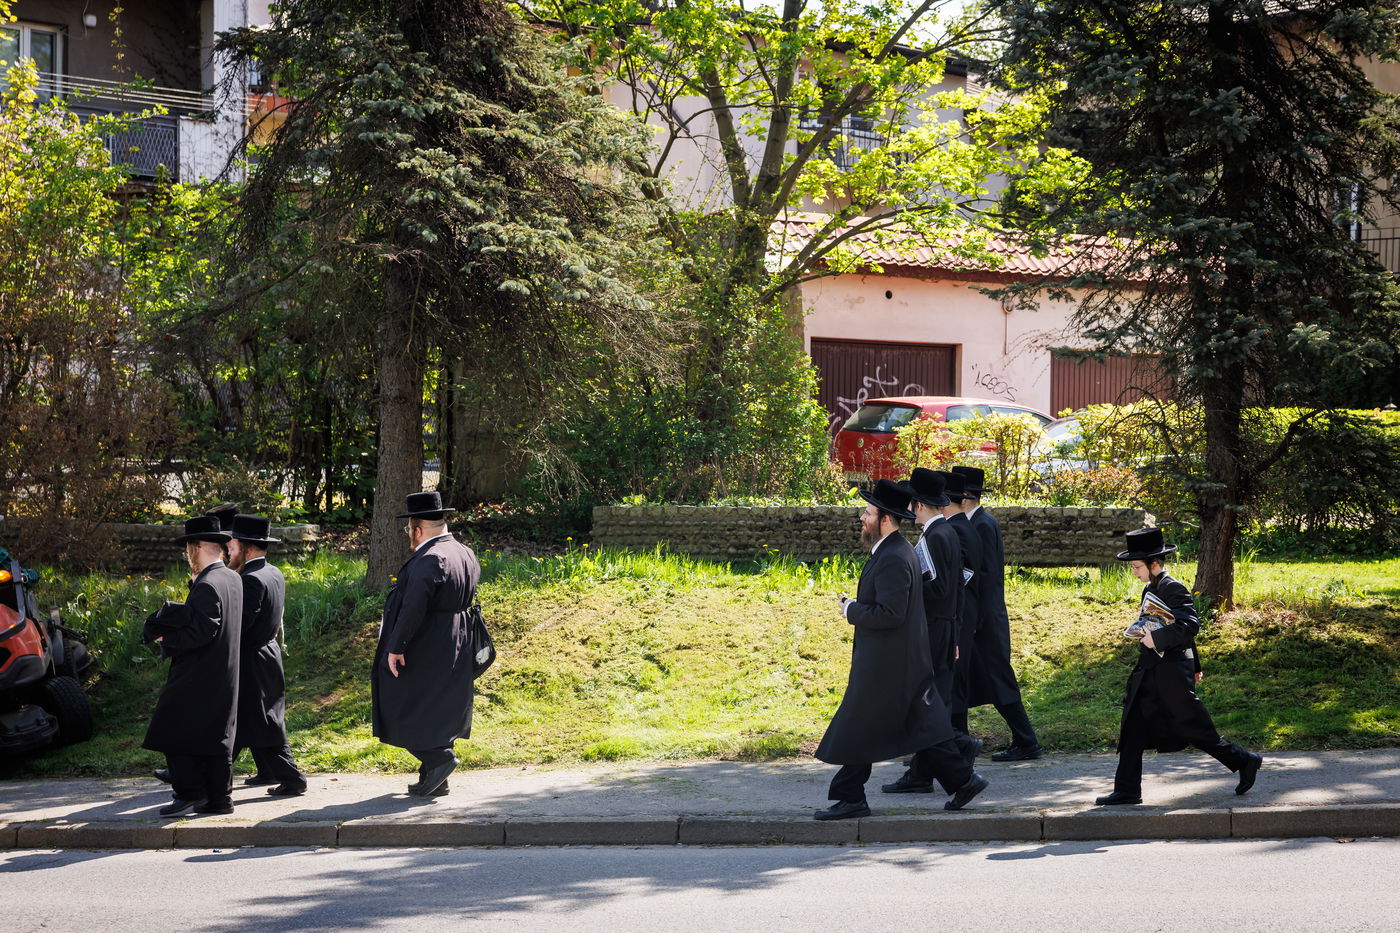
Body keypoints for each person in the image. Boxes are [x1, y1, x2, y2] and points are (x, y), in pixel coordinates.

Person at [813, 479, 988, 820]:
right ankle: (963, 779)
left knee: (860, 724)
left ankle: (851, 796)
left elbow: (891, 613)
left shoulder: (894, 556)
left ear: (886, 519)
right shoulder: (893, 550)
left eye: (868, 512)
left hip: (889, 663)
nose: (862, 517)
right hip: (895, 660)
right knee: (920, 727)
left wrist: (851, 610)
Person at [1096, 527, 1263, 805]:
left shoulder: (1173, 588)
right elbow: (1170, 624)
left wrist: (1156, 639)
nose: (1134, 572)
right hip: (1151, 671)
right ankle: (1127, 789)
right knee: (1133, 725)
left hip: (1171, 673)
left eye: (1137, 567)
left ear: (1153, 563)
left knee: (1194, 728)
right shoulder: (1152, 588)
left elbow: (1189, 626)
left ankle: (1244, 760)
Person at [372, 491, 482, 798]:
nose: (408, 534)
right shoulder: (463, 551)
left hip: (426, 642)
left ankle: (439, 760)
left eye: (408, 528)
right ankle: (434, 778)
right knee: (437, 708)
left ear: (417, 528)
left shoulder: (431, 557)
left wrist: (396, 646)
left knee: (399, 703)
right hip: (454, 640)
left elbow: (413, 607)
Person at [142, 514, 243, 816]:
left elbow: (203, 631)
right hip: (225, 671)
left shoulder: (208, 583)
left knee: (171, 728)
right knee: (216, 738)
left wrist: (165, 638)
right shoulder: (233, 577)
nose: (187, 556)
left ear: (197, 547)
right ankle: (218, 800)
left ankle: (188, 792)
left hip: (199, 673)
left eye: (187, 549)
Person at [951, 465, 1042, 761]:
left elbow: (986, 575)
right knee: (960, 680)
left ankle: (1027, 741)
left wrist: (976, 620)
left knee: (999, 679)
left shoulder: (981, 524)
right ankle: (956, 743)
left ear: (965, 496)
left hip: (985, 619)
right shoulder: (974, 522)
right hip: (979, 617)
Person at [227, 513, 306, 797]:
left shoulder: (250, 580)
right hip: (268, 653)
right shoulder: (272, 572)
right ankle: (267, 771)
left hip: (251, 657)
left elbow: (242, 625)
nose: (229, 552)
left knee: (260, 719)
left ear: (246, 549)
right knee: (254, 717)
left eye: (233, 547)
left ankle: (292, 777)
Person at [939, 470, 983, 741]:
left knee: (953, 681)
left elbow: (962, 575)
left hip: (961, 613)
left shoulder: (956, 529)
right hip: (964, 611)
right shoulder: (962, 526)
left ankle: (956, 741)